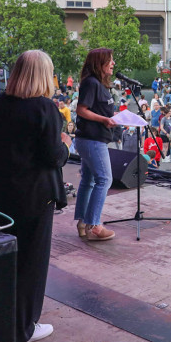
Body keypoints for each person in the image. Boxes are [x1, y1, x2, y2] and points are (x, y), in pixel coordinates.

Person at [0, 50, 69, 342]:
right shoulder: (45, 108)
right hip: (34, 197)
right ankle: (23, 328)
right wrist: (65, 144)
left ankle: (0, 317)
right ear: (44, 75)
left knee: (5, 257)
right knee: (31, 262)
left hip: (1, 194)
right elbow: (53, 156)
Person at [74, 48, 118, 242]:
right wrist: (103, 120)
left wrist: (113, 117)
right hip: (92, 140)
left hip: (91, 139)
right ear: (99, 63)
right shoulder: (91, 83)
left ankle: (84, 223)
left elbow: (95, 110)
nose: (113, 63)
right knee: (105, 180)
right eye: (110, 60)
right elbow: (81, 110)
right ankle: (94, 225)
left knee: (89, 181)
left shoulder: (97, 84)